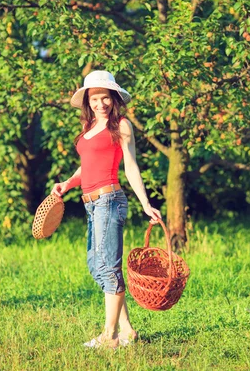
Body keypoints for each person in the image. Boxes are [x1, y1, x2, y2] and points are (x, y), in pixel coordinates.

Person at [51, 70, 161, 349]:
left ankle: (109, 336)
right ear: (88, 101)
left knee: (109, 268)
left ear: (113, 98)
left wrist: (146, 203)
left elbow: (131, 166)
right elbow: (86, 166)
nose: (100, 103)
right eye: (95, 98)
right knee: (96, 266)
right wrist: (68, 182)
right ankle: (127, 331)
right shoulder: (88, 128)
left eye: (105, 98)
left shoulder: (121, 125)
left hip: (109, 201)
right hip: (91, 203)